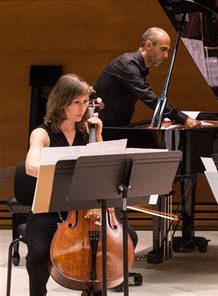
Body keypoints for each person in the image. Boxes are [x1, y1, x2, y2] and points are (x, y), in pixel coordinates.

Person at [24, 74, 137, 296]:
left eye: (85, 102)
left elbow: (107, 168)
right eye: (77, 102)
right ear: (61, 101)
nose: (82, 108)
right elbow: (30, 165)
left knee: (128, 237)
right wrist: (66, 174)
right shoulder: (42, 133)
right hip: (49, 213)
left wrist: (99, 135)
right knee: (38, 252)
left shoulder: (88, 133)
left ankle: (93, 289)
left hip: (86, 213)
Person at [94, 27, 201, 128]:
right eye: (163, 49)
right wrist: (184, 119)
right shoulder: (127, 65)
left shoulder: (135, 66)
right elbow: (151, 98)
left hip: (118, 127)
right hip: (104, 130)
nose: (166, 56)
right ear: (148, 45)